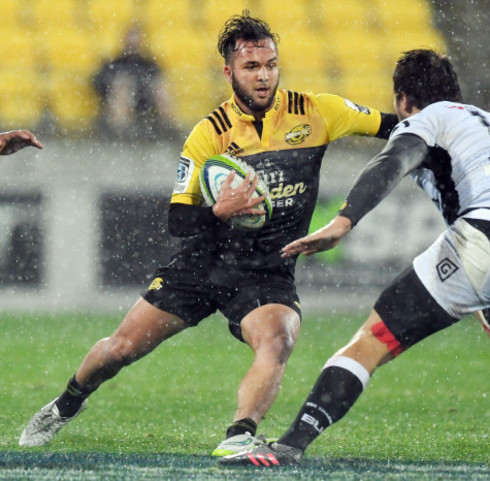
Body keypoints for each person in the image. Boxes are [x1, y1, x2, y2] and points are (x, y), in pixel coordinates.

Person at [19, 11, 398, 456]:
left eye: (270, 65)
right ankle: (66, 404)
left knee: (278, 339)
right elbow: (177, 221)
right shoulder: (209, 134)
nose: (263, 77)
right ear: (229, 72)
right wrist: (219, 211)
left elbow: (395, 126)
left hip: (267, 270)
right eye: (251, 67)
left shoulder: (317, 111)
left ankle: (239, 435)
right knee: (119, 350)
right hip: (205, 263)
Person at [219, 49, 490, 468]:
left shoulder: (427, 119)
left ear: (402, 100)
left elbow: (394, 160)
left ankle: (289, 445)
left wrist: (344, 221)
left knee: (373, 340)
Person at [92, 24, 177, 140]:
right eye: (131, 37)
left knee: (161, 89)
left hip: (145, 100)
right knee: (122, 89)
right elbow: (98, 83)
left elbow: (157, 81)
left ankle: (169, 129)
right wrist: (120, 85)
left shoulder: (148, 64)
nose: (134, 41)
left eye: (136, 37)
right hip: (122, 102)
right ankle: (120, 131)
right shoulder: (115, 62)